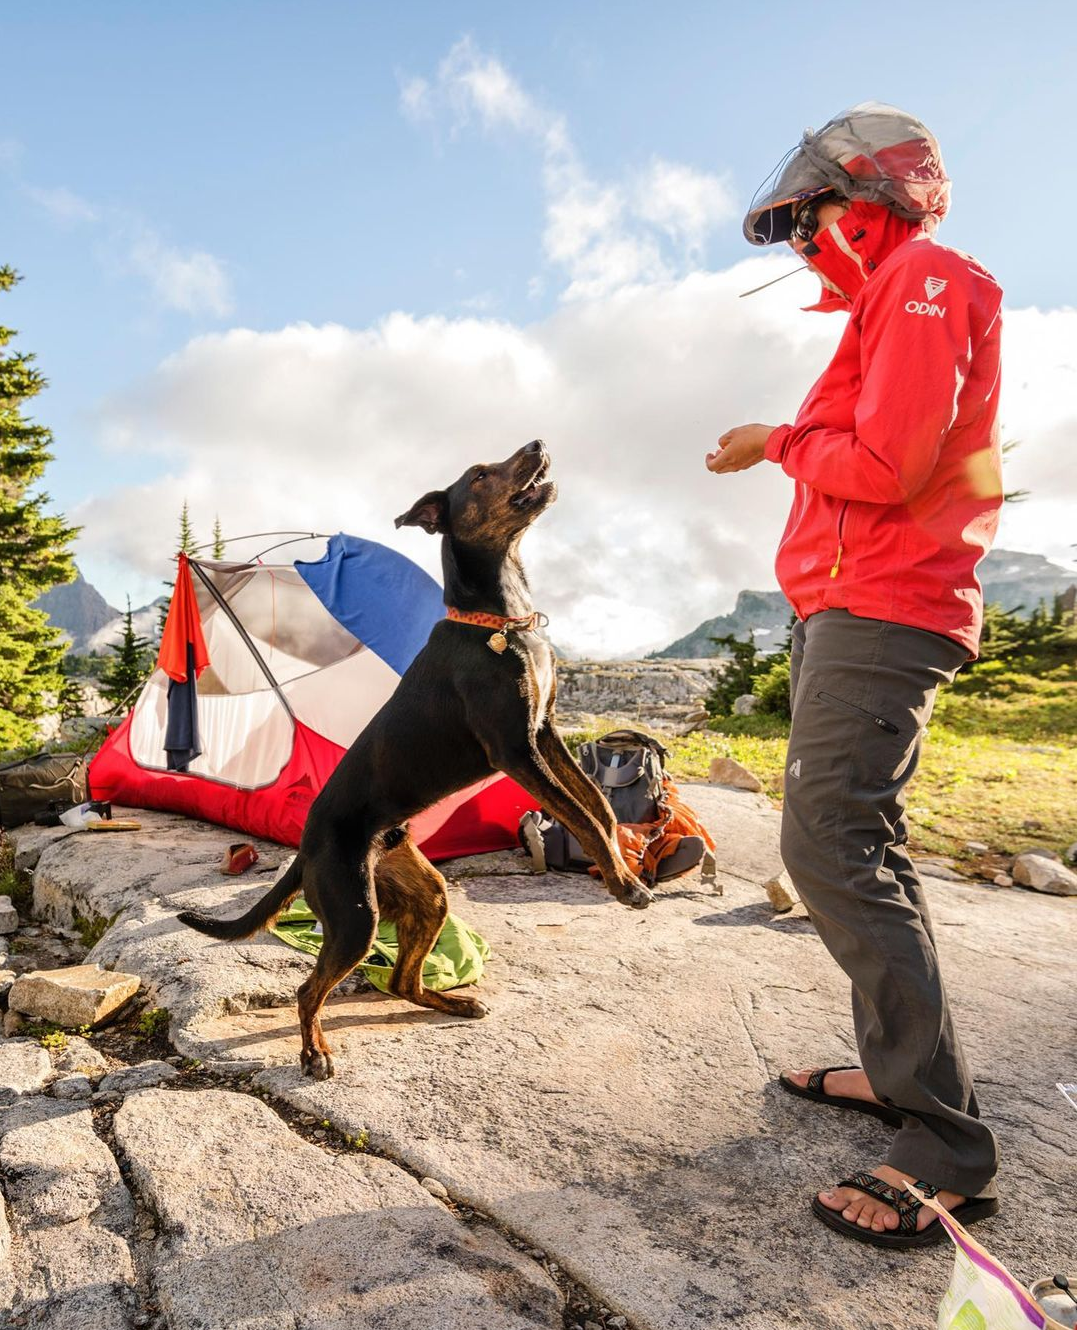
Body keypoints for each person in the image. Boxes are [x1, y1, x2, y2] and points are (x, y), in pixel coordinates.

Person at [707, 103, 1003, 1248]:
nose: (800, 241)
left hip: (887, 604)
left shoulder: (924, 279)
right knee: (860, 840)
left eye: (812, 214)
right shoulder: (888, 296)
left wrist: (774, 442)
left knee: (829, 845)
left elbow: (890, 463)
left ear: (871, 199)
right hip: (853, 603)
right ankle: (899, 1075)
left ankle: (945, 1144)